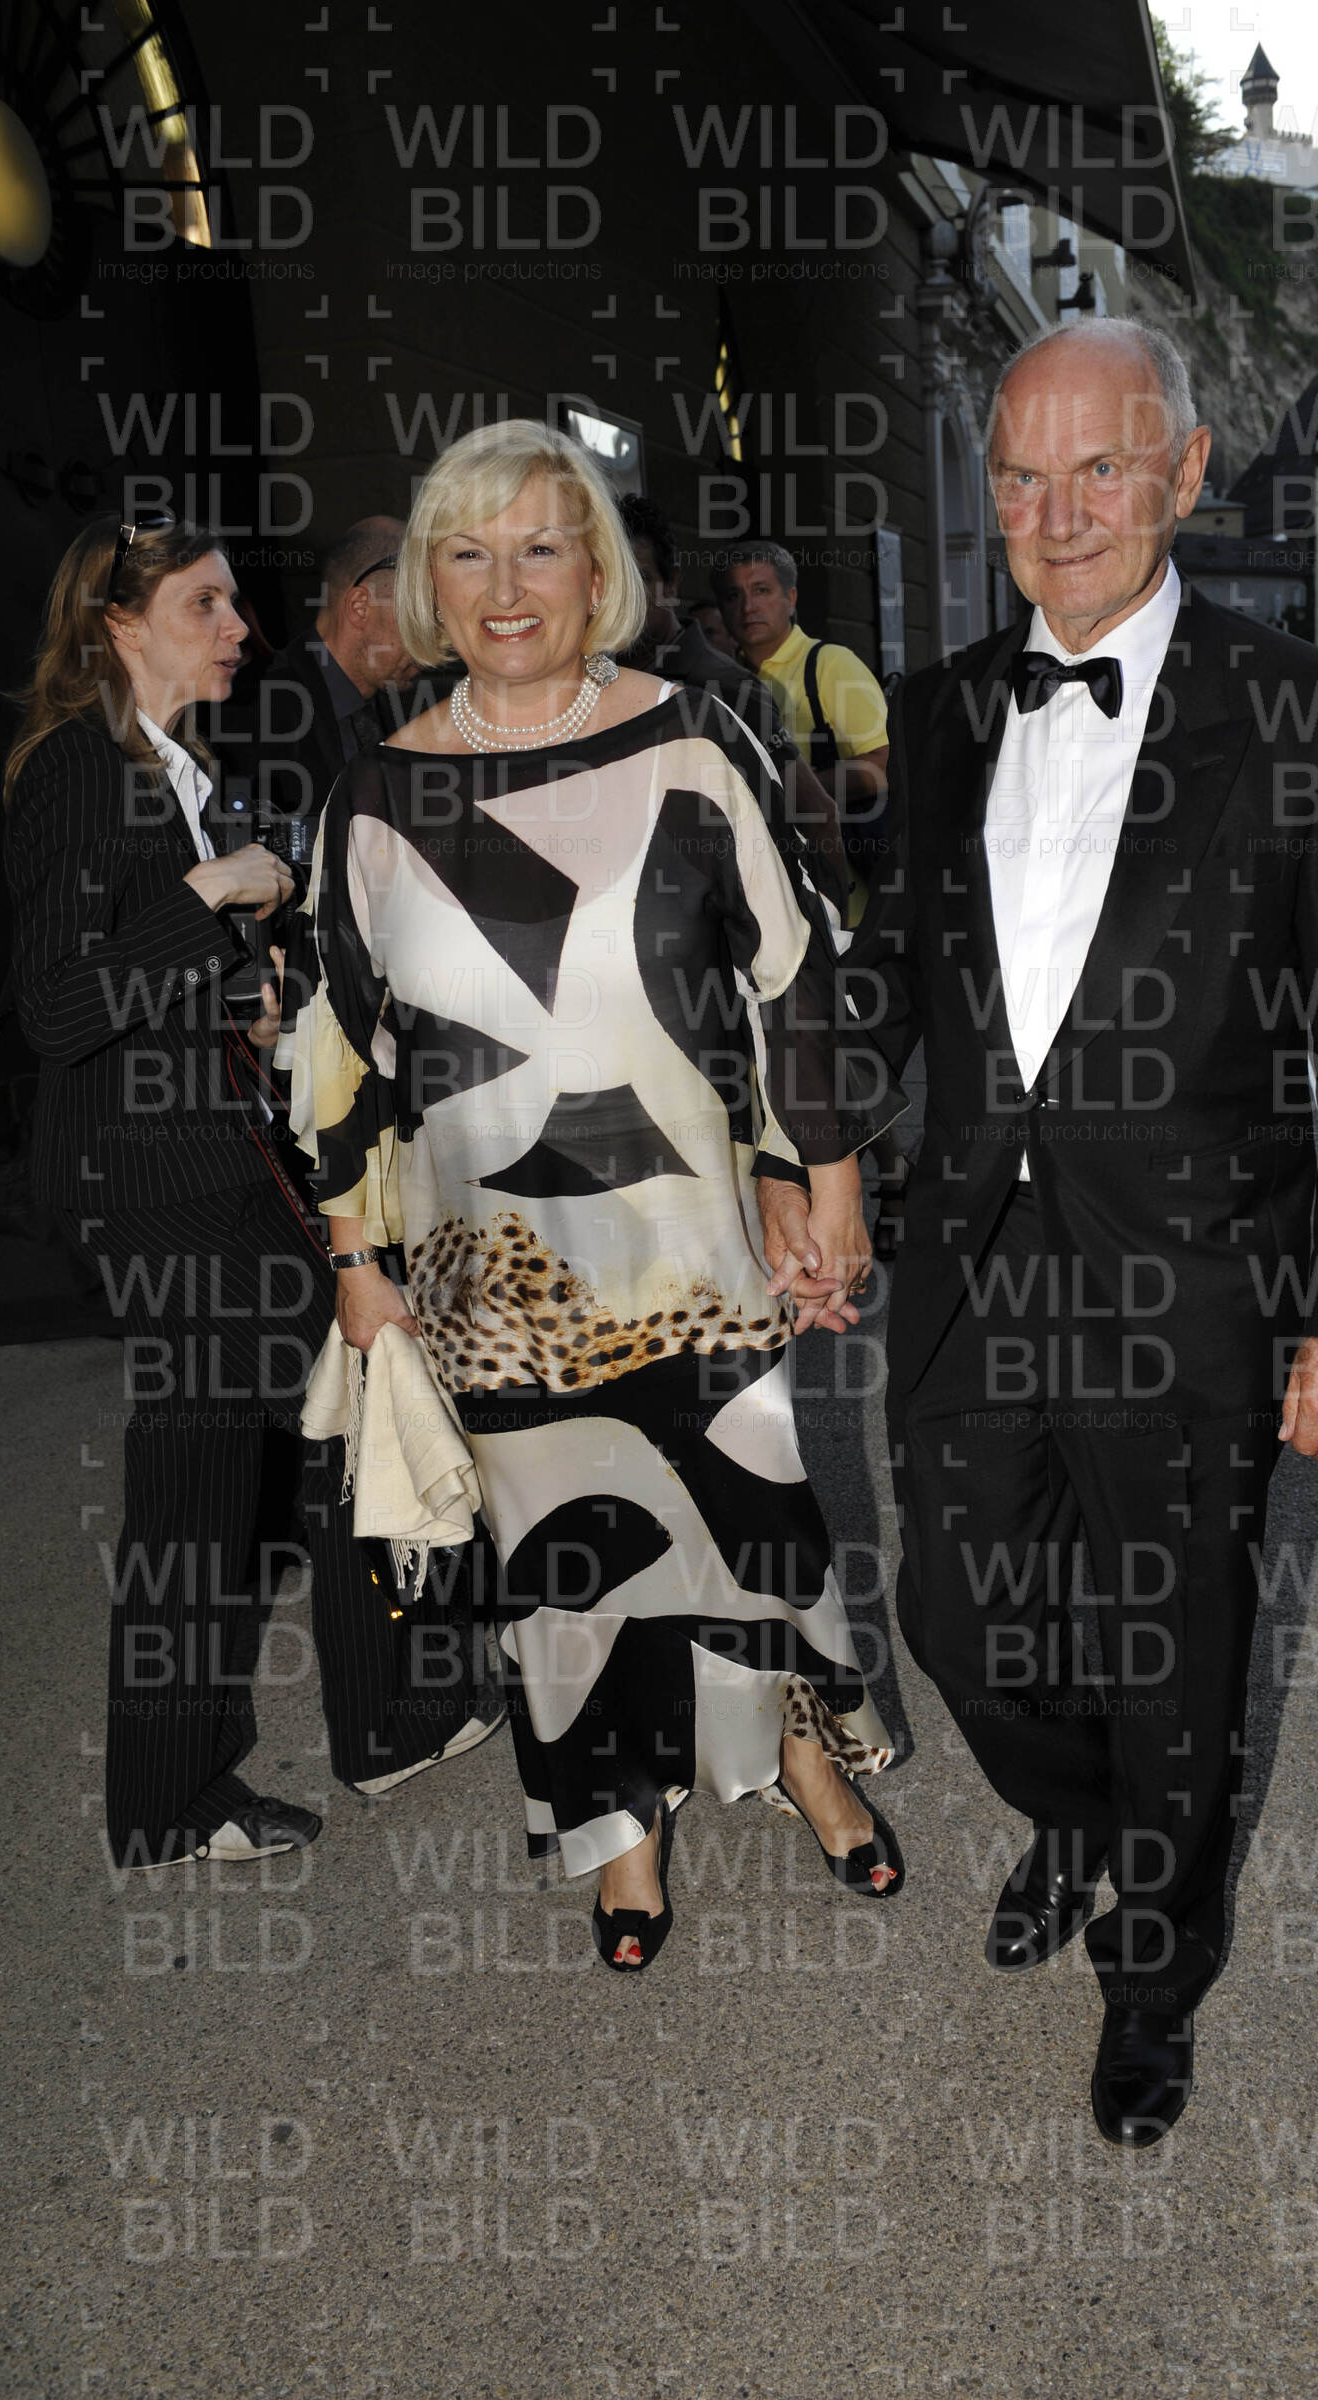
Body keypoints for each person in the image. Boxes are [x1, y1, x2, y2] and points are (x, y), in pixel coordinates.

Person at [847, 320, 1318, 2144]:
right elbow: (891, 975)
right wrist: (805, 1144)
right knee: (960, 1619)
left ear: (1183, 473)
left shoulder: (1310, 712)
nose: (1056, 514)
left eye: (1099, 469)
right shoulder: (940, 708)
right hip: (972, 1266)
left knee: (1174, 1654)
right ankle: (1081, 1816)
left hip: (1195, 1278)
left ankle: (1155, 1971)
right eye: (1021, 477)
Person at [277, 420, 907, 1972]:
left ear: (597, 571)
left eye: (539, 548)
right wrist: (354, 1260)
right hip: (490, 1275)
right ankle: (615, 1820)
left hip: (691, 1247)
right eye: (467, 554)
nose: (506, 588)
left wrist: (822, 1173)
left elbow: (792, 973)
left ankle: (800, 1749)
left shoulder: (694, 740)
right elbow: (341, 1049)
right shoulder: (373, 797)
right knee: (563, 1560)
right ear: (427, 585)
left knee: (753, 1514)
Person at [0, 516, 502, 1868]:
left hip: (204, 1161)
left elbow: (141, 982)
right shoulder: (77, 767)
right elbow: (58, 1006)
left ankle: (301, 1745)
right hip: (151, 1185)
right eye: (206, 605)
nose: (240, 630)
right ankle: (337, 1734)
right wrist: (212, 888)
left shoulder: (169, 767)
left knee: (262, 1452)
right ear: (118, 622)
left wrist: (247, 999)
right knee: (247, 1457)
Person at [617, 493, 849, 916]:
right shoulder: (588, 686)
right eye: (609, 579)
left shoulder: (727, 689)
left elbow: (817, 815)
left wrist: (829, 941)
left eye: (640, 578)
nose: (623, 597)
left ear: (672, 583)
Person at [215, 517, 424, 835]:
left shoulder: (408, 709)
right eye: (418, 616)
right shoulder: (250, 710)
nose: (433, 636)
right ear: (360, 607)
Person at [711, 541, 890, 867]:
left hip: (838, 878)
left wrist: (796, 791)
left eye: (761, 590)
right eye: (733, 595)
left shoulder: (831, 664)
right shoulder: (723, 682)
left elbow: (883, 765)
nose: (748, 606)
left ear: (790, 598)